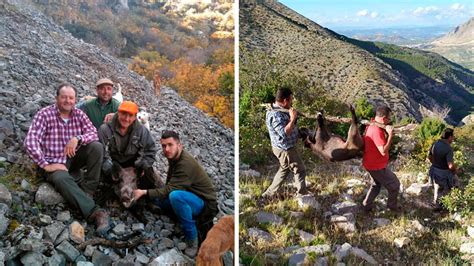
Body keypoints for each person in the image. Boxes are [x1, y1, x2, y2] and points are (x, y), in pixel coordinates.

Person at [24, 83, 110, 236]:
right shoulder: (45, 114)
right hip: (53, 161)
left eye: (71, 98)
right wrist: (45, 165)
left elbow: (93, 134)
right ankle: (95, 212)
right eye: (64, 97)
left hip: (72, 158)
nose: (67, 101)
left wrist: (77, 138)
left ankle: (88, 191)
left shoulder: (79, 114)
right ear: (57, 98)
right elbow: (30, 142)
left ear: (75, 100)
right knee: (61, 178)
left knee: (96, 147)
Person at [132, 130, 218, 257]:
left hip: (205, 204)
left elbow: (170, 189)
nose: (166, 149)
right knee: (158, 200)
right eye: (163, 146)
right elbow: (170, 183)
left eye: (170, 145)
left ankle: (192, 239)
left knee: (175, 196)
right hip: (188, 194)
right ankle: (181, 215)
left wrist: (144, 192)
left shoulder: (185, 163)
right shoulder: (175, 157)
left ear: (179, 145)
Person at [259, 86, 308, 203]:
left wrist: (299, 131)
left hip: (283, 148)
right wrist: (293, 118)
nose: (291, 102)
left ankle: (267, 194)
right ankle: (302, 195)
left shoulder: (281, 110)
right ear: (285, 100)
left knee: (284, 169)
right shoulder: (275, 115)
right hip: (285, 149)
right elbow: (284, 133)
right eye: (290, 100)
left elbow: (289, 129)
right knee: (300, 170)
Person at [98, 100, 158, 190]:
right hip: (113, 165)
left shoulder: (141, 131)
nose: (126, 118)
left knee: (151, 176)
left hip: (134, 165)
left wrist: (141, 167)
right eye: (123, 114)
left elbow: (150, 150)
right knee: (101, 182)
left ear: (135, 117)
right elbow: (101, 154)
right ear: (118, 113)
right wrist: (112, 171)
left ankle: (154, 195)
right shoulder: (105, 129)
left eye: (130, 115)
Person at [362, 105, 401, 213]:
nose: (389, 121)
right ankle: (392, 208)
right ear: (384, 118)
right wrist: (390, 135)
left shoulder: (371, 124)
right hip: (376, 166)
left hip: (370, 163)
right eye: (388, 119)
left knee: (376, 185)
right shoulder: (377, 131)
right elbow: (383, 150)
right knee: (395, 185)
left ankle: (366, 206)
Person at [428, 128, 458, 210]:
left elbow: (429, 156)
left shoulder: (435, 143)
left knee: (437, 187)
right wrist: (455, 170)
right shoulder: (448, 148)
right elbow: (450, 166)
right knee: (444, 189)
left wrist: (436, 163)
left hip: (434, 170)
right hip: (443, 173)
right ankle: (439, 206)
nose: (453, 138)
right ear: (449, 137)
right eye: (452, 137)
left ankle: (436, 203)